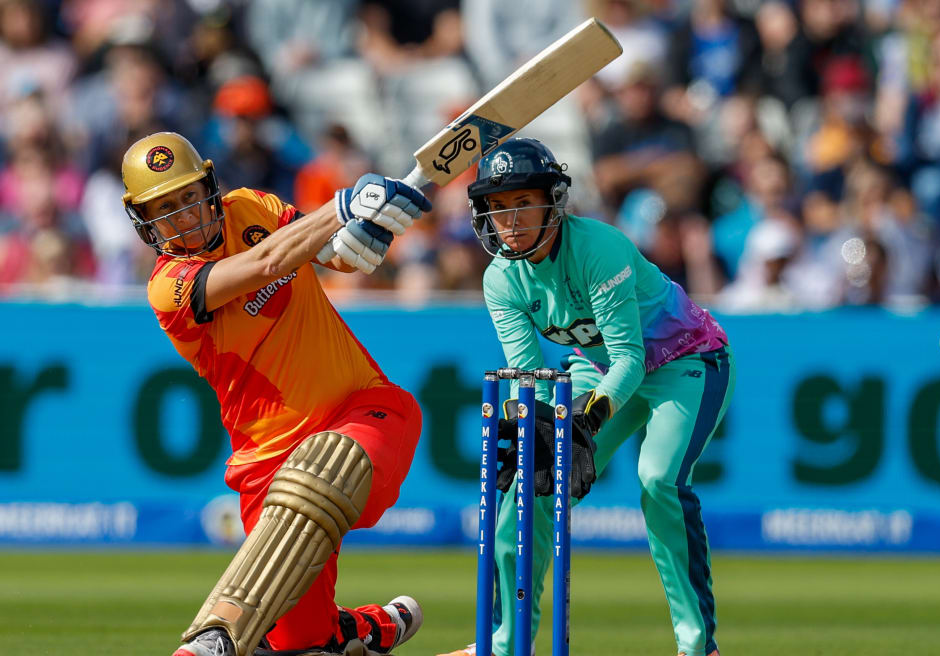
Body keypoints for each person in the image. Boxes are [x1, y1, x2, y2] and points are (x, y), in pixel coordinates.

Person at [120, 131, 431, 656]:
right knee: (299, 645)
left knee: (323, 463)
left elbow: (331, 254)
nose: (182, 216)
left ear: (209, 187)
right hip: (267, 465)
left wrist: (365, 231)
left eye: (187, 196)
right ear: (143, 220)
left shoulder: (251, 207)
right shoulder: (168, 285)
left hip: (366, 413)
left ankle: (213, 638)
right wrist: (343, 206)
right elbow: (266, 265)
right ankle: (359, 630)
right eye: (164, 208)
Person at [441, 138, 735, 656]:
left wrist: (588, 419)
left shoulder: (599, 248)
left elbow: (630, 357)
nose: (508, 219)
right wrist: (529, 421)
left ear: (552, 201)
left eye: (521, 203)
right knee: (526, 492)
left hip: (687, 361)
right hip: (594, 368)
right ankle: (506, 644)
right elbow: (526, 371)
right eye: (497, 206)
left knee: (658, 480)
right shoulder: (500, 279)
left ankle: (697, 646)